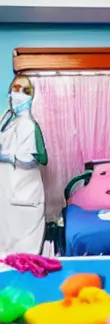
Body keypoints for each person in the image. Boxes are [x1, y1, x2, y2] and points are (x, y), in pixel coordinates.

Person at [0, 76, 48, 255]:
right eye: (15, 88)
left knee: (25, 254)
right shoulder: (10, 121)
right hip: (9, 195)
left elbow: (31, 160)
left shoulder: (28, 125)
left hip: (25, 197)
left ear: (32, 96)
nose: (18, 94)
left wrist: (6, 157)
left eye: (25, 90)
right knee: (6, 251)